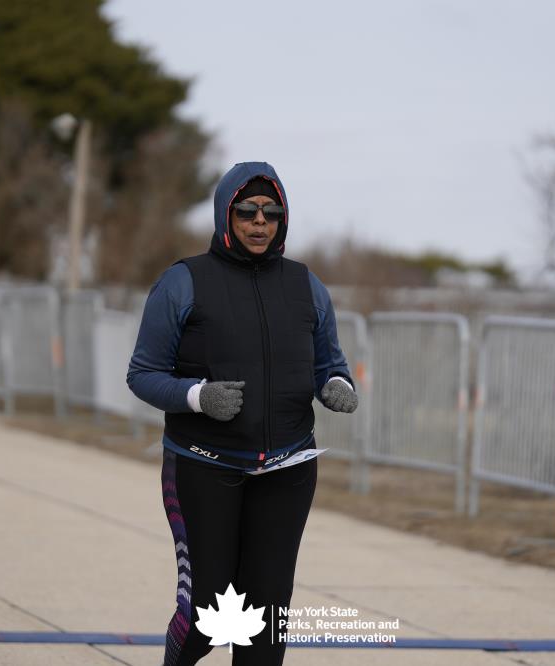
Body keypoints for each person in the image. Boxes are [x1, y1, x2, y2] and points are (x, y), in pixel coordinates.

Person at [127, 161, 358, 665]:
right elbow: (142, 373)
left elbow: (330, 365)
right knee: (207, 616)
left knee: (265, 624)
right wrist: (197, 396)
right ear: (225, 214)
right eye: (247, 211)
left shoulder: (307, 285)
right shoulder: (183, 282)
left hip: (288, 469)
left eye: (271, 213)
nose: (259, 222)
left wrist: (337, 386)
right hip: (203, 465)